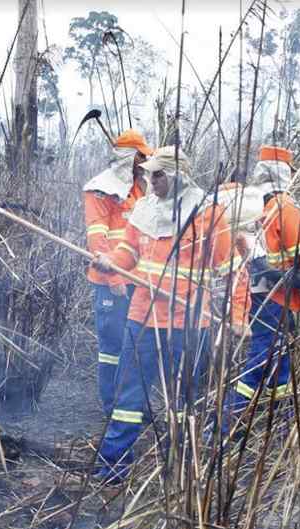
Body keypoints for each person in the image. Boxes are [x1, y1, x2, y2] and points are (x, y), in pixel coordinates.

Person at [90, 146, 238, 484]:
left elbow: (231, 270)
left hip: (189, 323)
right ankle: (113, 468)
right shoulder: (144, 209)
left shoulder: (208, 213)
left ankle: (181, 470)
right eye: (148, 174)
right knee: (127, 397)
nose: (150, 180)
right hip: (142, 317)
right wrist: (111, 262)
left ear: (177, 176)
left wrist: (238, 315)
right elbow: (128, 252)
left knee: (184, 400)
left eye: (158, 175)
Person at [225, 145, 300, 422]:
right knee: (262, 358)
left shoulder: (253, 204)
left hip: (253, 294)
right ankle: (228, 419)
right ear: (285, 174)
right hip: (275, 298)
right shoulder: (285, 208)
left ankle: (280, 417)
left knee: (280, 357)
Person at [83, 129, 153, 416]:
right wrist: (114, 278)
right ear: (130, 157)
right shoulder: (100, 189)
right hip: (111, 282)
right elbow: (97, 240)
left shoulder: (140, 188)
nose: (144, 161)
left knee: (137, 343)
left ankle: (132, 403)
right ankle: (112, 406)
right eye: (141, 156)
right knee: (112, 346)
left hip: (140, 280)